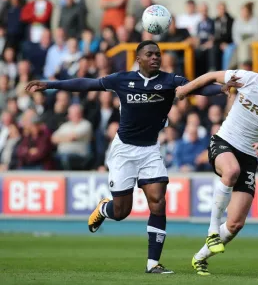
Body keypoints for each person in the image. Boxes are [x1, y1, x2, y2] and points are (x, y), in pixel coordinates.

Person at [25, 40, 230, 274]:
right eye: (150, 54)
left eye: (158, 54)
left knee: (158, 201)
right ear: (139, 58)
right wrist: (50, 84)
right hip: (124, 151)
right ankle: (104, 209)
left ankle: (153, 263)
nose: (155, 58)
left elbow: (198, 88)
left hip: (150, 150)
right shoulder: (122, 79)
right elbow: (86, 84)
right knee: (122, 212)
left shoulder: (170, 81)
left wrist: (221, 88)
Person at [176, 48, 258, 275]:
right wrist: (184, 91)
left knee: (235, 224)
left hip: (249, 155)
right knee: (231, 171)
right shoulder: (248, 78)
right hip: (224, 142)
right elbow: (211, 76)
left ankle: (200, 257)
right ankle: (212, 231)